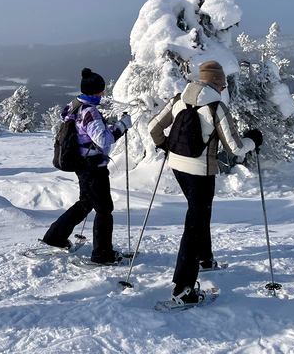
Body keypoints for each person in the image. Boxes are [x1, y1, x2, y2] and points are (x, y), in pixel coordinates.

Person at [148, 61, 262, 304]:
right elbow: (235, 148)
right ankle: (183, 290)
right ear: (217, 84)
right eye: (222, 86)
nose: (223, 90)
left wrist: (165, 146)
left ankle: (205, 259)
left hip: (177, 167)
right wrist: (253, 140)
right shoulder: (215, 107)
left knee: (198, 215)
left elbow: (153, 128)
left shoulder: (179, 99)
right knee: (195, 223)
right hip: (201, 172)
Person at [42, 68, 132, 263]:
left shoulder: (74, 105)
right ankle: (102, 254)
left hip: (80, 163)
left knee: (86, 203)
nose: (103, 94)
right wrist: (122, 126)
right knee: (104, 209)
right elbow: (103, 139)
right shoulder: (90, 112)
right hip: (93, 166)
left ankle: (55, 236)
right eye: (101, 91)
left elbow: (78, 128)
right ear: (94, 92)